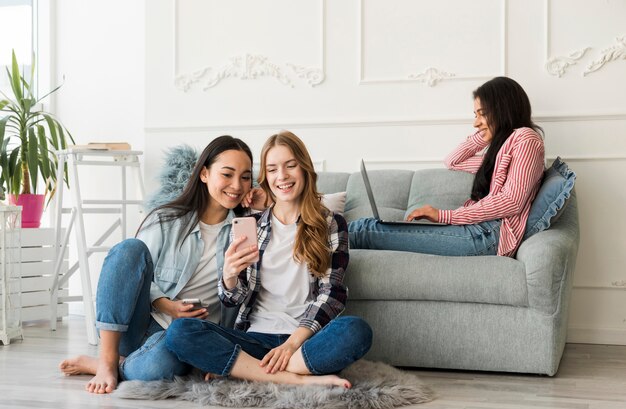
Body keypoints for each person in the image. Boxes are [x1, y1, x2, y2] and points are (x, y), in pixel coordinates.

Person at [165, 131, 373, 388]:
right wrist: (229, 277)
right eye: (272, 169)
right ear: (265, 178)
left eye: (290, 166)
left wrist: (291, 344)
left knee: (356, 330)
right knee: (180, 331)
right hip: (254, 340)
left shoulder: (330, 223)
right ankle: (294, 378)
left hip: (304, 341)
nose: (282, 176)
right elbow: (232, 299)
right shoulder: (251, 226)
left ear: (305, 169)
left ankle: (247, 370)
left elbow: (332, 295)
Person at [59, 135, 254, 394]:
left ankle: (114, 365)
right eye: (227, 174)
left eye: (245, 177)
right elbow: (133, 273)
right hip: (143, 322)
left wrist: (266, 203)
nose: (236, 185)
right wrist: (166, 304)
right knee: (129, 249)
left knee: (163, 365)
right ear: (205, 174)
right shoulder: (166, 219)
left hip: (187, 336)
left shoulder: (250, 229)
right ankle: (106, 361)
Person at [349, 76, 545, 257]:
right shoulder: (501, 151)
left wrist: (444, 215)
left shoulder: (526, 138)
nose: (475, 123)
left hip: (489, 234)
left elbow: (511, 201)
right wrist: (488, 132)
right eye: (475, 115)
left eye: (481, 114)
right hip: (481, 229)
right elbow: (453, 160)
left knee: (366, 230)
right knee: (365, 228)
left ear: (502, 110)